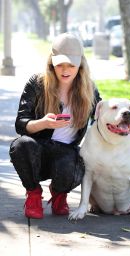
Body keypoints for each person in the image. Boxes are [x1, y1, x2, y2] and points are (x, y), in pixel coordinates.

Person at [9, 33, 102, 219]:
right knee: (20, 145)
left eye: (71, 65)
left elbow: (102, 116)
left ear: (81, 65)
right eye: (60, 64)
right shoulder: (37, 83)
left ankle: (59, 193)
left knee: (72, 163)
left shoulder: (89, 89)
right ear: (52, 63)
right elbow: (21, 124)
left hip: (67, 152)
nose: (65, 70)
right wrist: (44, 122)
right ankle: (33, 194)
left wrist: (125, 113)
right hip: (38, 150)